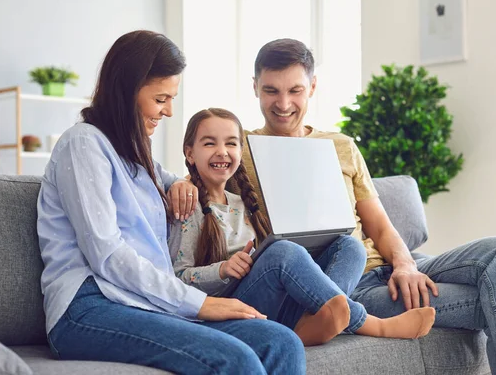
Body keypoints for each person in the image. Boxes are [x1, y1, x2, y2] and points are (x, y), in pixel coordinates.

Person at [174, 38, 496, 375]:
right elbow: (204, 175)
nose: (284, 103)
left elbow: (381, 226)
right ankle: (326, 313)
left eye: (295, 90)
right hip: (336, 286)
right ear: (255, 88)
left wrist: (405, 265)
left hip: (380, 267)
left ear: (313, 88)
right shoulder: (242, 148)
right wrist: (179, 182)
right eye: (271, 90)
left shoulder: (342, 145)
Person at [36, 30, 307, 375]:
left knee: (281, 342)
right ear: (127, 90)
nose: (168, 111)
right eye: (161, 98)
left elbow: (166, 177)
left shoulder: (136, 152)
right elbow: (107, 255)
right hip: (89, 306)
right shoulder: (84, 145)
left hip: (145, 303)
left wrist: (181, 182)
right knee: (235, 360)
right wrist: (200, 303)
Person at [167, 107, 435, 346]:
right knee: (282, 251)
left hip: (272, 302)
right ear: (190, 153)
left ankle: (310, 322)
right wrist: (223, 270)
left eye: (231, 143)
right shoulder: (187, 208)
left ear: (241, 151)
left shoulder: (242, 203)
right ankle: (373, 325)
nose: (222, 151)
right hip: (230, 309)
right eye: (209, 143)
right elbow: (177, 280)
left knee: (350, 246)